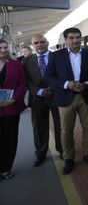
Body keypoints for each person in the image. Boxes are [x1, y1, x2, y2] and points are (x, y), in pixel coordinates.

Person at [45, 28, 88, 175]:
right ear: (66, 40)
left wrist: (86, 84)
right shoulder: (56, 56)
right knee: (66, 130)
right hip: (65, 97)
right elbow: (49, 77)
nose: (75, 40)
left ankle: (87, 154)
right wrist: (66, 84)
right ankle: (69, 159)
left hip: (85, 96)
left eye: (77, 37)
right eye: (71, 38)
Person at [24, 35, 63, 167]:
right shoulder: (27, 61)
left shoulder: (58, 57)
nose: (39, 45)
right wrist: (39, 91)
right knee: (39, 127)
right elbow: (27, 81)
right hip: (37, 98)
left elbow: (62, 74)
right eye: (36, 43)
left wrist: (53, 87)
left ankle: (62, 150)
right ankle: (40, 154)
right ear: (33, 45)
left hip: (56, 95)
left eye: (42, 42)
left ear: (47, 43)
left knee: (60, 124)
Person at [0, 39, 26, 180]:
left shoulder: (15, 64)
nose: (3, 50)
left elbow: (22, 83)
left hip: (11, 108)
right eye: (0, 47)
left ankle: (6, 168)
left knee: (10, 139)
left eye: (5, 47)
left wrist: (14, 99)